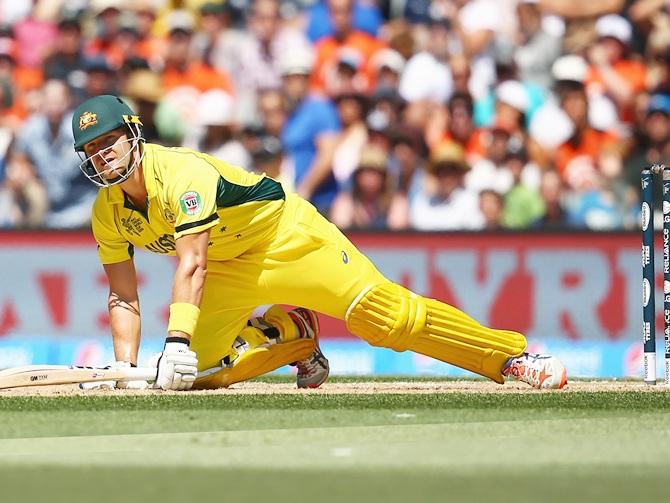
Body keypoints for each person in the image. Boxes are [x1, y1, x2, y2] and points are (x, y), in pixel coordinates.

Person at [71, 94, 568, 391]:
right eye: (92, 150)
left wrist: (175, 341)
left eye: (109, 140)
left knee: (388, 319)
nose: (103, 156)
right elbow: (122, 294)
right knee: (191, 377)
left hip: (287, 237)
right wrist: (125, 367)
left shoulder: (180, 173)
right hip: (228, 268)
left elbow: (192, 266)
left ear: (135, 132)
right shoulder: (107, 211)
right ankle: (290, 334)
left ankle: (510, 357)